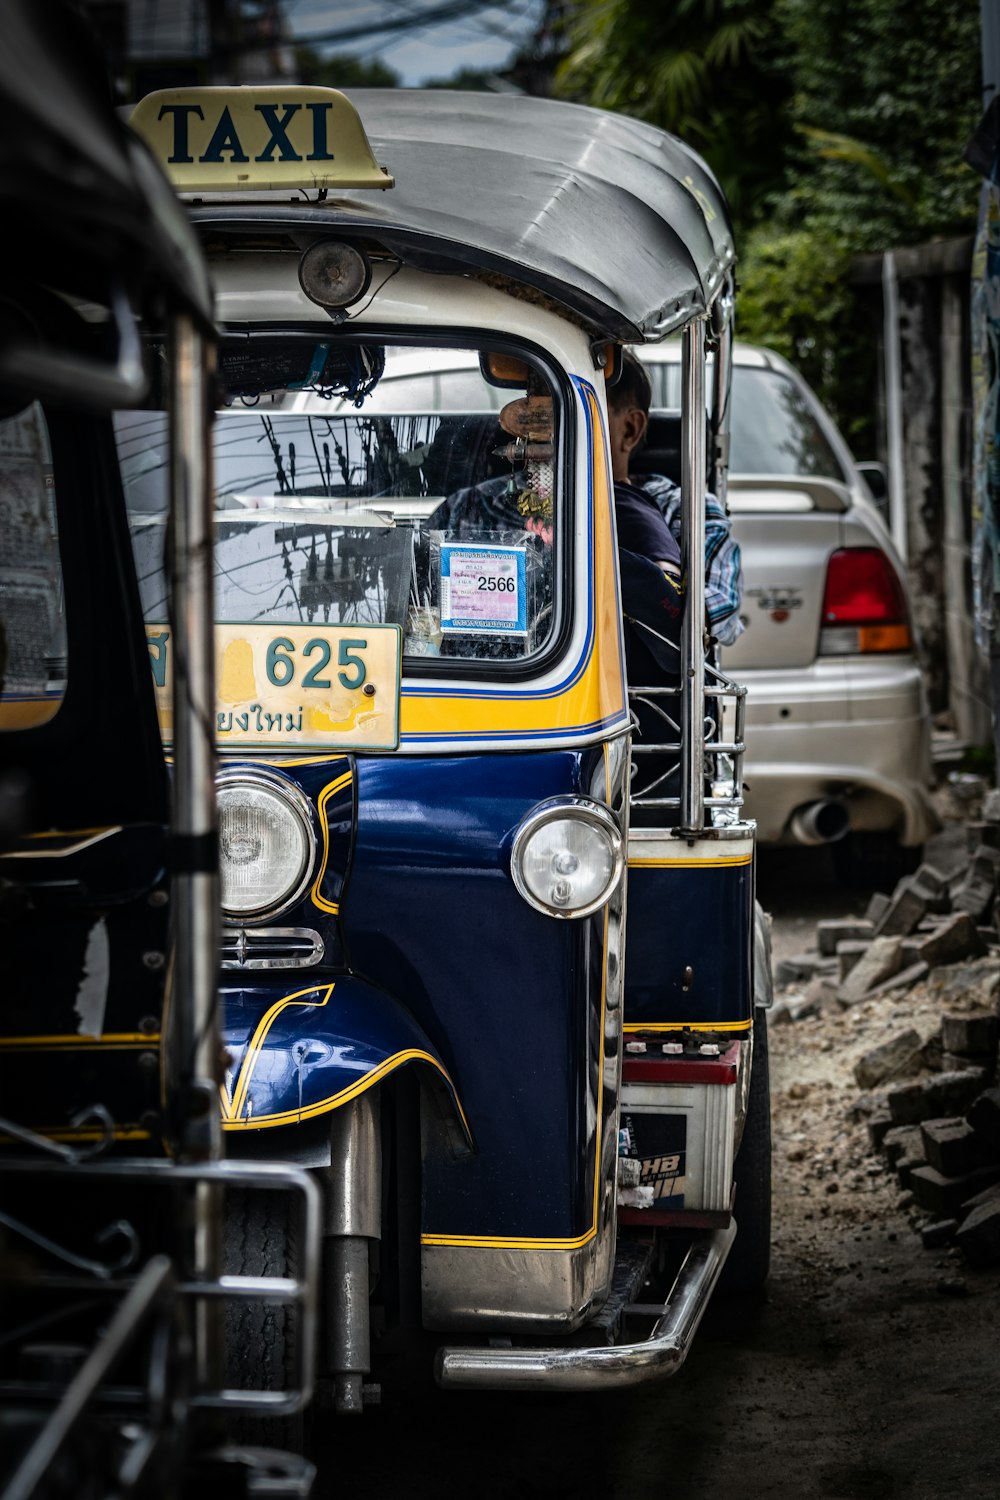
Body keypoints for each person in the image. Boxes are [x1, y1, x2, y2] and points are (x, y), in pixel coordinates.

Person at [606, 350, 744, 647]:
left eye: (571, 413)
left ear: (629, 430)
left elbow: (714, 610)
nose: (546, 430)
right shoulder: (493, 500)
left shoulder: (685, 511)